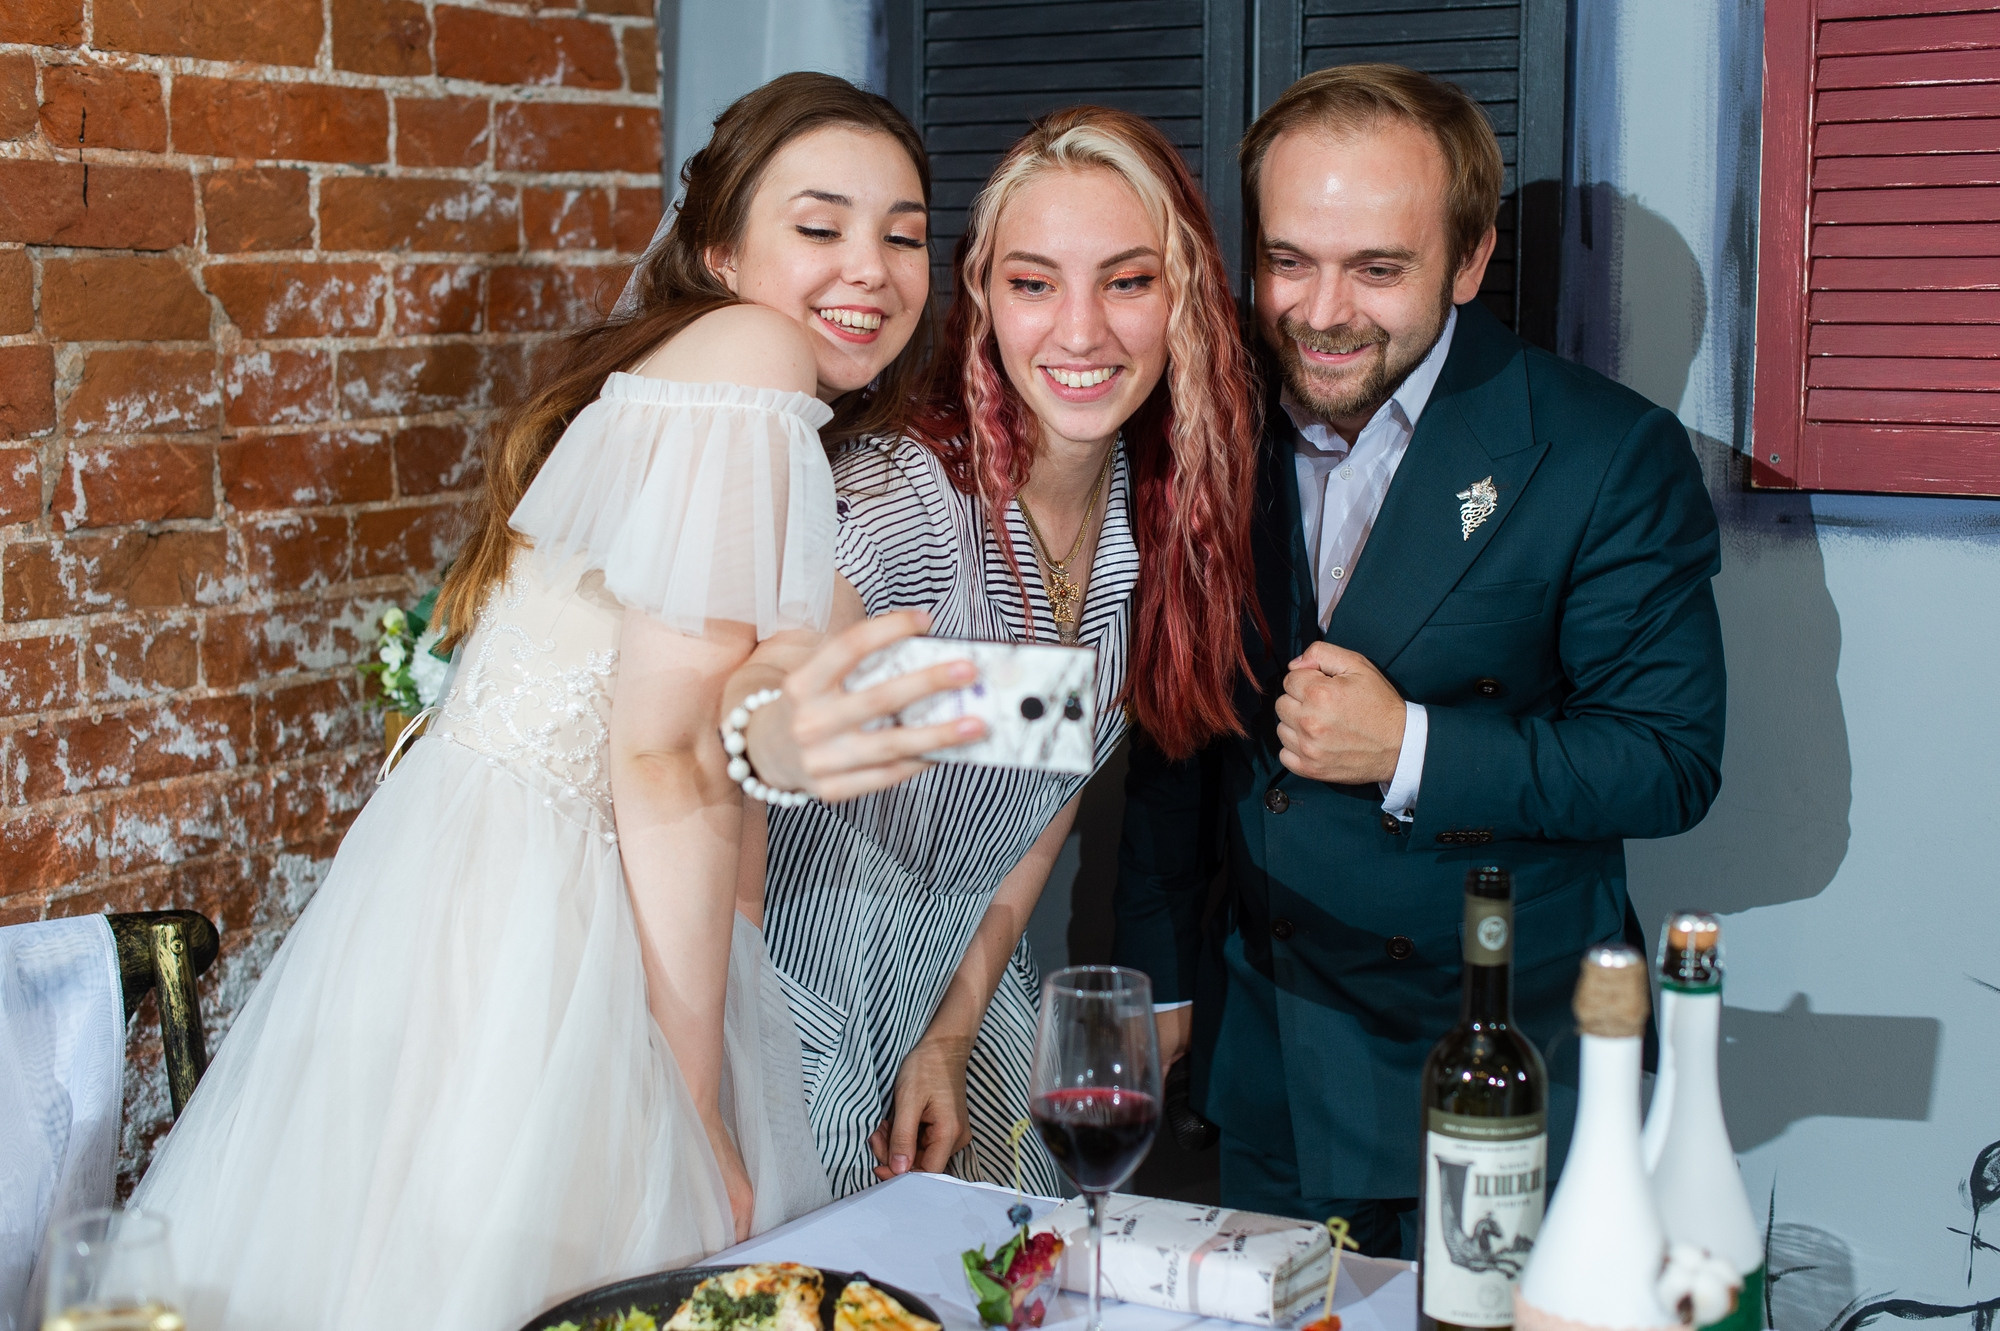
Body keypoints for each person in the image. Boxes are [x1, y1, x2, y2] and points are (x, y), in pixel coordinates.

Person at [128, 72, 933, 1330]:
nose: (871, 268)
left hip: (535, 899)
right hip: (545, 924)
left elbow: (726, 758)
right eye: (820, 226)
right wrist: (693, 1100)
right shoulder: (745, 353)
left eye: (905, 232)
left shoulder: (740, 400)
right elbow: (667, 754)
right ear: (720, 254)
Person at [1113, 63, 1727, 1258]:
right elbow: (1171, 739)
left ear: (1466, 262)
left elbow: (1667, 760)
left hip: (1500, 1056)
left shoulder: (1602, 452)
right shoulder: (1199, 429)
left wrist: (1412, 747)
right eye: (1288, 259)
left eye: (1377, 269)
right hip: (1271, 1051)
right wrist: (1159, 984)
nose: (1321, 309)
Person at [724, 106, 1259, 1197]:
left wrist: (951, 1031)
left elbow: (1034, 811)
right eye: (1031, 283)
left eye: (1126, 281)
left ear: (1184, 301)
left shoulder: (1148, 528)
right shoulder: (893, 505)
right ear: (979, 300)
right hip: (791, 1010)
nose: (1080, 332)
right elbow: (744, 749)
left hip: (964, 1002)